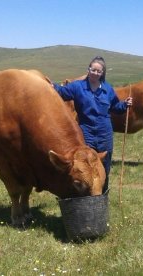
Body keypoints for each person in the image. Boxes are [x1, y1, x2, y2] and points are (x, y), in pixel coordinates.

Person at [52, 56, 133, 193]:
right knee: (86, 165)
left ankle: (103, 194)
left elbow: (115, 107)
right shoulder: (78, 87)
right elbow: (62, 92)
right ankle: (86, 196)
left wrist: (125, 105)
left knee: (104, 166)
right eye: (93, 70)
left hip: (105, 133)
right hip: (86, 131)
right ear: (88, 70)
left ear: (102, 73)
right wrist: (50, 85)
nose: (95, 73)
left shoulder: (108, 89)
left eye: (98, 71)